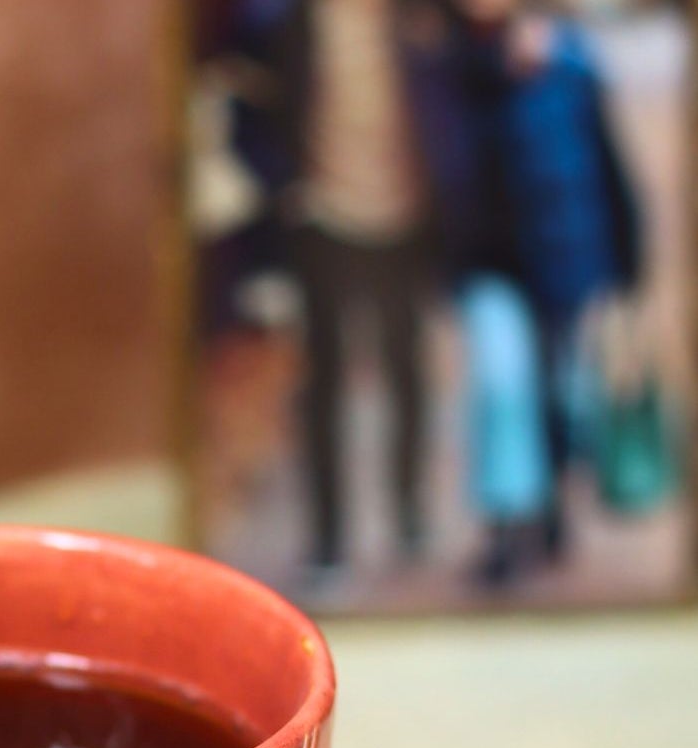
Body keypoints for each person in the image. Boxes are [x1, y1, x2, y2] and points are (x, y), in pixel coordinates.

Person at [233, 0, 470, 585]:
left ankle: (410, 514)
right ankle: (328, 540)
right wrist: (284, 185)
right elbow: (244, 100)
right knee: (325, 383)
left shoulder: (420, 19)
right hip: (323, 218)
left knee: (406, 371)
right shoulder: (284, 22)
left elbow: (459, 91)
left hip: (407, 219)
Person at [452, 0, 643, 585]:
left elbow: (605, 158)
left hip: (564, 256)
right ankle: (507, 525)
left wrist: (629, 254)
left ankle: (553, 505)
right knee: (503, 386)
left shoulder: (570, 59)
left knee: (559, 387)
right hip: (491, 259)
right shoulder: (448, 58)